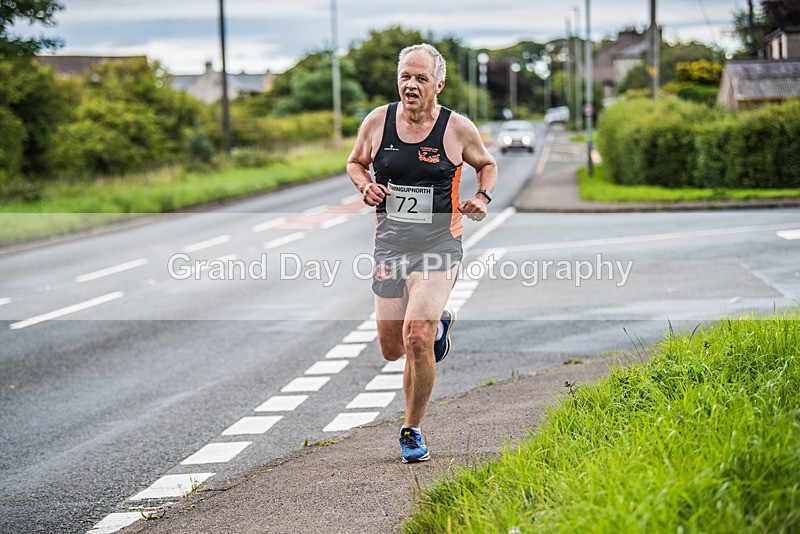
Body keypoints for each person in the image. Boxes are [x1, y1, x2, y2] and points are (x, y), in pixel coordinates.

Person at [346, 43, 497, 463]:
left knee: (416, 336)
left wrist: (482, 196)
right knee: (392, 349)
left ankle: (411, 429)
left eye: (421, 78)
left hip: (438, 244)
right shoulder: (378, 121)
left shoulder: (456, 128)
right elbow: (356, 162)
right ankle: (439, 326)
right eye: (405, 77)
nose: (411, 86)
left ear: (439, 84)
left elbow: (487, 163)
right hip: (390, 245)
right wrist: (365, 186)